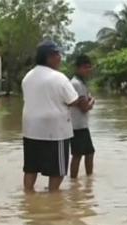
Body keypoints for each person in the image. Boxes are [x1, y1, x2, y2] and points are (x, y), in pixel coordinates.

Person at [21, 40, 79, 192]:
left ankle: (28, 196)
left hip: (30, 130)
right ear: (49, 57)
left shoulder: (27, 77)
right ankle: (53, 198)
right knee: (57, 171)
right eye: (57, 55)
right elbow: (73, 100)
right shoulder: (59, 77)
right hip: (55, 132)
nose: (60, 58)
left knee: (31, 169)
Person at [69, 55, 96, 179]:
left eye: (89, 68)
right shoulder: (76, 84)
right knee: (78, 155)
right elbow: (84, 107)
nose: (88, 70)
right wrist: (92, 101)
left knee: (88, 153)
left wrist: (88, 100)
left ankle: (88, 179)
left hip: (80, 125)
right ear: (78, 68)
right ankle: (74, 180)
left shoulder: (80, 83)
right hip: (77, 126)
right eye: (85, 68)